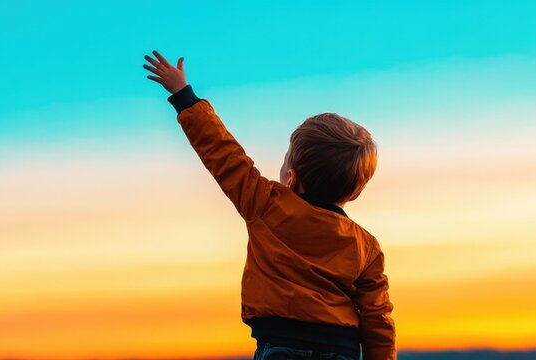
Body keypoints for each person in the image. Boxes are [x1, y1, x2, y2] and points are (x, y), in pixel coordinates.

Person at [143, 50, 396, 360]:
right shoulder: (365, 247)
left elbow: (224, 155)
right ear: (354, 193)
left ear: (291, 176)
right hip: (340, 349)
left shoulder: (265, 204)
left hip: (281, 346)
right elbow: (378, 317)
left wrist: (184, 96)